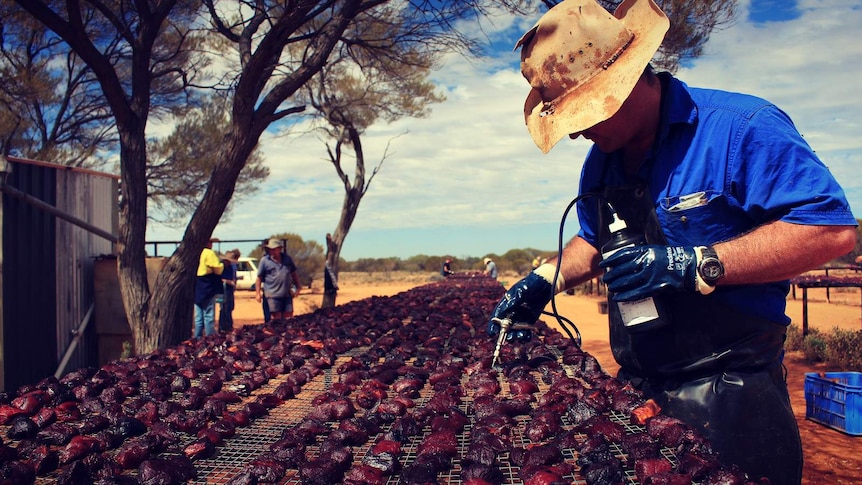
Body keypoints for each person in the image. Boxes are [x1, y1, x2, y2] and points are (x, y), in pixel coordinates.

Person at [488, 0, 857, 483]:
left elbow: (829, 230)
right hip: (641, 386)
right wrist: (542, 281)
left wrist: (696, 262)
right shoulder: (604, 159)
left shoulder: (740, 128)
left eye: (583, 113)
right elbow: (594, 239)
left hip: (732, 389)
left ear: (625, 80)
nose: (577, 133)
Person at [255, 238, 302, 323]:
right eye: (270, 250)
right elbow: (259, 278)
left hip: (286, 294)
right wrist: (257, 293)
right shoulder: (265, 261)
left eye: (274, 249)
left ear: (279, 249)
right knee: (276, 318)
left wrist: (298, 287)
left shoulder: (287, 259)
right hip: (272, 295)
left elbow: (294, 273)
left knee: (289, 317)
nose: (272, 251)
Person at [194, 237, 225, 338]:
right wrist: (222, 265)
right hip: (207, 285)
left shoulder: (195, 252)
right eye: (210, 242)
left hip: (196, 285)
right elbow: (217, 269)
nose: (211, 244)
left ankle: (197, 338)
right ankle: (209, 338)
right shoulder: (209, 253)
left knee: (198, 316)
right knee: (208, 315)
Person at [219, 248, 240, 332]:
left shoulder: (231, 267)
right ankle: (223, 327)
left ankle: (228, 326)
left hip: (229, 289)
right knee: (224, 308)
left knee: (229, 308)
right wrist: (227, 281)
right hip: (223, 289)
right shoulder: (221, 267)